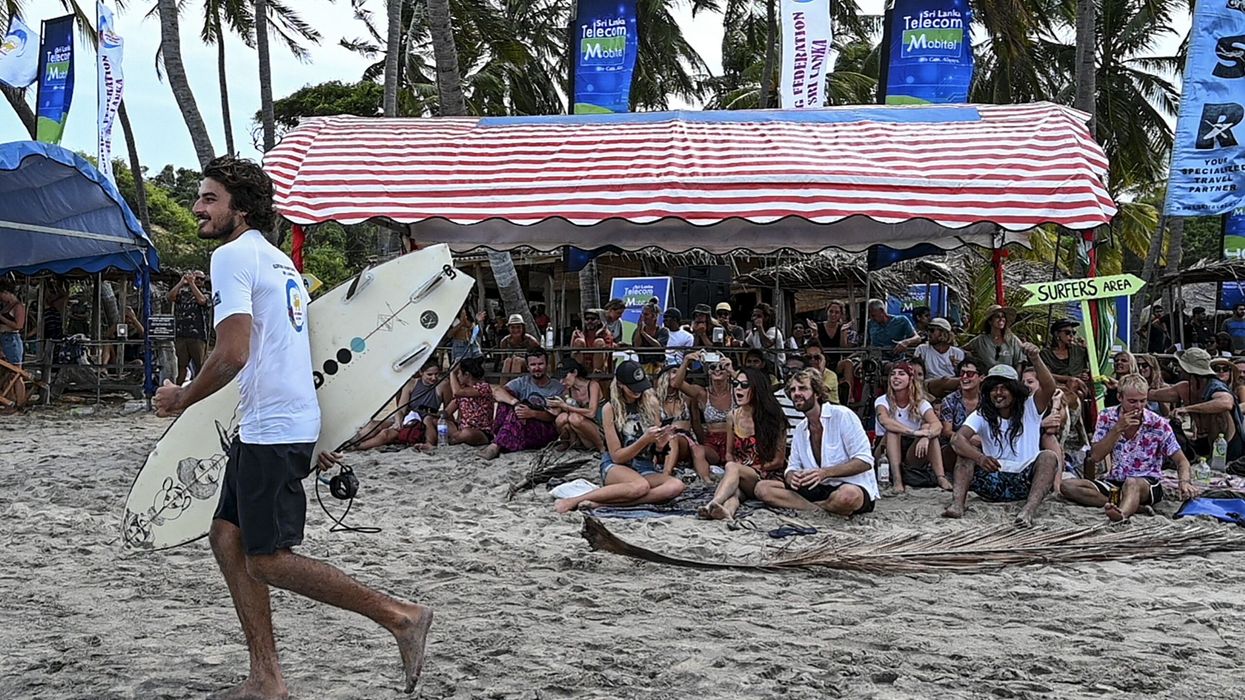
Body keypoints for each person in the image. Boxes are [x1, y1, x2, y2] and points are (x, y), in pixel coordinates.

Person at [152, 155, 431, 698]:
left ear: (242, 208)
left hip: (273, 427)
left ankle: (401, 616)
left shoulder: (233, 258)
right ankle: (266, 677)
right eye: (200, 196)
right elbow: (288, 352)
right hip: (274, 423)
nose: (197, 207)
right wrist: (316, 434)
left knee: (269, 560)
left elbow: (232, 352)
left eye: (210, 198)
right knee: (227, 539)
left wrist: (184, 396)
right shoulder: (280, 263)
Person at [943, 342, 1060, 527]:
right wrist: (980, 458)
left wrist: (1036, 359)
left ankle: (1028, 511)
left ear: (1014, 390)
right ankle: (957, 505)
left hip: (1024, 481)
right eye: (993, 388)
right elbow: (957, 440)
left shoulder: (1030, 407)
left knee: (1048, 457)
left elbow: (1049, 387)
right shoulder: (982, 414)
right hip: (992, 479)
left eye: (1004, 388)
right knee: (965, 453)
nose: (998, 393)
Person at [554, 362, 686, 512]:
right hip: (617, 466)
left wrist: (661, 444)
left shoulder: (651, 403)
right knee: (640, 486)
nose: (638, 392)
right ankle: (575, 500)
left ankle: (608, 504)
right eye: (633, 388)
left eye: (640, 387)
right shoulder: (610, 409)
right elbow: (617, 456)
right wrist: (645, 440)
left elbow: (656, 451)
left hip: (644, 466)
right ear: (621, 385)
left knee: (676, 486)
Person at [1061, 375, 1196, 521]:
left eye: (1143, 401)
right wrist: (1117, 429)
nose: (1138, 406)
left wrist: (1184, 482)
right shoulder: (1108, 416)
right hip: (1115, 481)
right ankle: (1136, 508)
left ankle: (1122, 514)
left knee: (1131, 483)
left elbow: (1181, 460)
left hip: (1146, 481)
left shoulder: (1158, 423)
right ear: (1120, 397)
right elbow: (1095, 456)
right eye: (1132, 401)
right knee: (1067, 486)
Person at [753, 369, 878, 516]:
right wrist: (792, 476)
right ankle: (818, 508)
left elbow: (865, 461)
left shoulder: (842, 415)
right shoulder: (801, 429)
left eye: (803, 388)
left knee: (847, 497)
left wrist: (825, 473)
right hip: (815, 487)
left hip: (849, 485)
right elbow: (792, 467)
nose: (796, 393)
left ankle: (813, 506)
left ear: (817, 393)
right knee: (762, 489)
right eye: (793, 390)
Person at [698, 367, 788, 519]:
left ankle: (713, 502)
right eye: (736, 384)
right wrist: (736, 470)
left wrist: (742, 469)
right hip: (741, 475)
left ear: (757, 388)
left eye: (744, 385)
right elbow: (729, 453)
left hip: (767, 475)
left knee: (732, 468)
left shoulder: (774, 417)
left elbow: (778, 461)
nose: (738, 388)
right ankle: (727, 513)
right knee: (733, 493)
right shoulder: (732, 416)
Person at [1149, 347, 1245, 461]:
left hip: (1227, 446)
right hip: (1201, 442)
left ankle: (1216, 459)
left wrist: (1188, 409)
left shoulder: (1215, 386)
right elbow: (1153, 395)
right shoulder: (1185, 388)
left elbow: (1226, 403)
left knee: (1219, 413)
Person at [875, 362, 948, 492]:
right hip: (884, 449)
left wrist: (927, 435)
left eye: (901, 374)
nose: (895, 377)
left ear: (910, 379)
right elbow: (884, 421)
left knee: (928, 427)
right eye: (893, 374)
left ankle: (940, 477)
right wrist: (914, 432)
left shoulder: (921, 403)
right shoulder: (882, 400)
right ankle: (897, 480)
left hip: (910, 451)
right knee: (893, 431)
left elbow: (937, 424)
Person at [482, 349, 566, 460]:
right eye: (533, 364)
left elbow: (554, 416)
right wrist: (515, 403)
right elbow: (497, 392)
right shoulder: (522, 382)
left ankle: (496, 444)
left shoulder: (557, 387)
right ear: (528, 367)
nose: (537, 368)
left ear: (547, 365)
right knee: (509, 402)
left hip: (544, 428)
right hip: (520, 423)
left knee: (519, 411)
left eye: (540, 364)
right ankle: (501, 439)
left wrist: (532, 413)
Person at [350, 363, 448, 452]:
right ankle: (352, 441)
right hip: (407, 417)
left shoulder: (442, 385)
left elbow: (447, 410)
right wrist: (398, 422)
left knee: (385, 434)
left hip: (423, 421)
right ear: (421, 372)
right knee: (374, 424)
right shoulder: (411, 384)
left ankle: (358, 447)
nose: (434, 378)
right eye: (429, 375)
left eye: (436, 374)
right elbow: (401, 409)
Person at [671, 350, 734, 465]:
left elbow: (753, 389)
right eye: (713, 367)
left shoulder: (737, 390)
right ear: (708, 371)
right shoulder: (703, 394)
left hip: (735, 440)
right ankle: (707, 481)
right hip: (712, 443)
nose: (717, 370)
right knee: (698, 450)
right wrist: (686, 362)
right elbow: (676, 384)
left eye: (721, 367)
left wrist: (732, 370)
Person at [654, 365, 712, 481]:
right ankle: (665, 477)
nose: (678, 375)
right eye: (674, 372)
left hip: (686, 440)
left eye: (680, 373)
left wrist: (703, 442)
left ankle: (707, 481)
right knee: (671, 438)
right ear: (664, 376)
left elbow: (696, 423)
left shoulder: (688, 398)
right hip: (662, 440)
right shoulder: (654, 400)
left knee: (697, 449)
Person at [548, 357, 604, 452]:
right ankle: (568, 444)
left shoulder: (593, 385)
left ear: (574, 372)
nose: (562, 382)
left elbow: (591, 413)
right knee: (561, 418)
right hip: (582, 434)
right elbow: (564, 411)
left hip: (598, 430)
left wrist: (566, 406)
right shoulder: (568, 390)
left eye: (565, 377)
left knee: (574, 418)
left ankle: (602, 448)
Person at [939, 358, 983, 473]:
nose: (964, 377)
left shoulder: (987, 400)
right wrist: (966, 439)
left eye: (969, 374)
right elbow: (947, 431)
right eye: (962, 373)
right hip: (953, 448)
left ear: (981, 378)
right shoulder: (950, 400)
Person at [167, 270, 211, 383]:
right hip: (181, 335)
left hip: (198, 336)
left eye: (202, 279)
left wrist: (192, 284)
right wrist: (182, 282)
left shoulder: (207, 294)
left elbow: (202, 301)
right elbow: (170, 297)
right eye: (197, 278)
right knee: (181, 366)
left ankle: (200, 392)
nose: (199, 281)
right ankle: (177, 391)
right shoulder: (183, 294)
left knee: (200, 366)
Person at [444, 356, 494, 446]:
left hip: (481, 432)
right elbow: (447, 412)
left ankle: (452, 438)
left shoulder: (483, 387)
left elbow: (457, 392)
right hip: (461, 429)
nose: (458, 376)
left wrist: (452, 373)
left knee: (466, 433)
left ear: (466, 375)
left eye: (458, 373)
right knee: (432, 421)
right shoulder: (463, 391)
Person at [914, 317, 965, 398]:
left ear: (943, 333)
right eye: (928, 330)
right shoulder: (922, 349)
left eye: (932, 330)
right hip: (929, 384)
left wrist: (957, 367)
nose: (928, 334)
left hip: (952, 384)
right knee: (946, 380)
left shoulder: (957, 353)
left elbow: (961, 374)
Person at [1040, 318, 1091, 399]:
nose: (1071, 335)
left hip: (1081, 385)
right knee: (1077, 391)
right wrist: (1070, 378)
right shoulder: (1046, 354)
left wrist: (1086, 374)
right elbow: (1046, 374)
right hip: (1056, 386)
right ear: (1057, 334)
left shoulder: (1079, 350)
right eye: (1067, 332)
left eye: (1073, 333)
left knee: (1076, 387)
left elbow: (1094, 364)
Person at [965, 305, 1024, 373]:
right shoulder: (980, 340)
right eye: (997, 317)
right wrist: (970, 356)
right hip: (988, 379)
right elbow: (962, 349)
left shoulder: (1012, 340)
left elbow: (1019, 362)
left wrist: (1017, 380)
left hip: (1008, 379)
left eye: (1003, 316)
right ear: (990, 321)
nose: (1001, 319)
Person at [571, 307, 612, 374]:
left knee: (599, 342)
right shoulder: (579, 333)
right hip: (583, 365)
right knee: (579, 341)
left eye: (593, 319)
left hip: (600, 367)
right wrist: (574, 337)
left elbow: (608, 352)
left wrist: (598, 335)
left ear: (599, 321)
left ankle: (596, 373)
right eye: (587, 319)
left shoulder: (605, 333)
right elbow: (572, 353)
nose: (589, 321)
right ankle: (578, 372)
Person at [631, 302, 668, 375]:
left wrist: (644, 334)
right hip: (643, 365)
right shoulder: (638, 331)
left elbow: (659, 346)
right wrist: (639, 330)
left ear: (654, 316)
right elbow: (636, 346)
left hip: (658, 365)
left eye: (646, 315)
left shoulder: (663, 331)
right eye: (643, 314)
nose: (644, 317)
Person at [0, 279, 27, 366]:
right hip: (4, 338)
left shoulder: (18, 306)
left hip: (12, 339)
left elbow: (19, 325)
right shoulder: (6, 305)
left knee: (14, 368)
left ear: (6, 293)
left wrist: (2, 318)